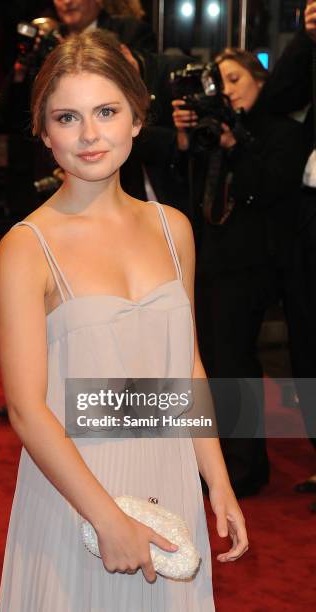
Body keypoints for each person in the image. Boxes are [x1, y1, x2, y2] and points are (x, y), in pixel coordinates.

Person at [0, 30, 247, 611]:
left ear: (137, 117)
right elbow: (28, 411)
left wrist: (218, 481)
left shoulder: (173, 228)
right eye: (67, 117)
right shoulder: (26, 247)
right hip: (77, 491)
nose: (89, 134)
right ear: (43, 132)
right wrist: (107, 518)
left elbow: (185, 367)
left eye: (106, 111)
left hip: (169, 478)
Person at [172, 49, 306, 497]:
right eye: (220, 81)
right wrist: (190, 141)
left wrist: (235, 146)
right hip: (211, 258)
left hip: (254, 264)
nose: (226, 89)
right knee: (208, 360)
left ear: (261, 81)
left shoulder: (284, 132)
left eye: (234, 79)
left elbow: (269, 189)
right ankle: (219, 461)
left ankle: (245, 468)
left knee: (234, 362)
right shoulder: (214, 131)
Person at [262, 0, 316, 506]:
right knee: (306, 341)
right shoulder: (310, 52)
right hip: (306, 213)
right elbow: (274, 100)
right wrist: (307, 38)